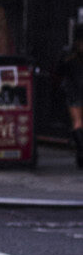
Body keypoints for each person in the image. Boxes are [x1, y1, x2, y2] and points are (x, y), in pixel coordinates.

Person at [57, 27, 83, 168]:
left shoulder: (69, 54)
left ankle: (81, 152)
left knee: (77, 122)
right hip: (76, 88)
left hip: (73, 90)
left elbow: (59, 71)